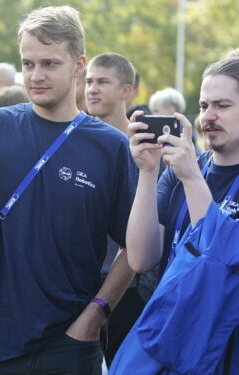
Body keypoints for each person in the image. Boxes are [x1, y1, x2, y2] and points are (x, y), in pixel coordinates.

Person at [0, 6, 136, 374]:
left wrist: (96, 315)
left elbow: (136, 248)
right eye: (28, 64)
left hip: (69, 342)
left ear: (79, 65)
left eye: (49, 63)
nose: (36, 75)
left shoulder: (110, 146)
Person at [111, 56, 239, 374]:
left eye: (222, 105)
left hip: (232, 349)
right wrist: (148, 172)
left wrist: (191, 179)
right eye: (203, 106)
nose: (208, 117)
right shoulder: (183, 169)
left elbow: (229, 262)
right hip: (171, 336)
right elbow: (140, 259)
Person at [84, 52, 142, 365]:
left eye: (103, 82)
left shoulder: (147, 149)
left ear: (126, 90)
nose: (92, 89)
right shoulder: (73, 143)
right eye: (89, 81)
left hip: (128, 291)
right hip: (79, 286)